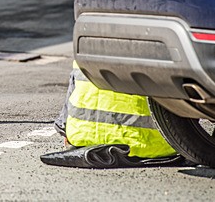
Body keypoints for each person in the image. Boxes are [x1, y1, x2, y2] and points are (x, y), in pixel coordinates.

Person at [41, 62, 181, 169]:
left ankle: (68, 130)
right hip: (153, 145)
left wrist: (65, 129)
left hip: (81, 138)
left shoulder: (88, 35)